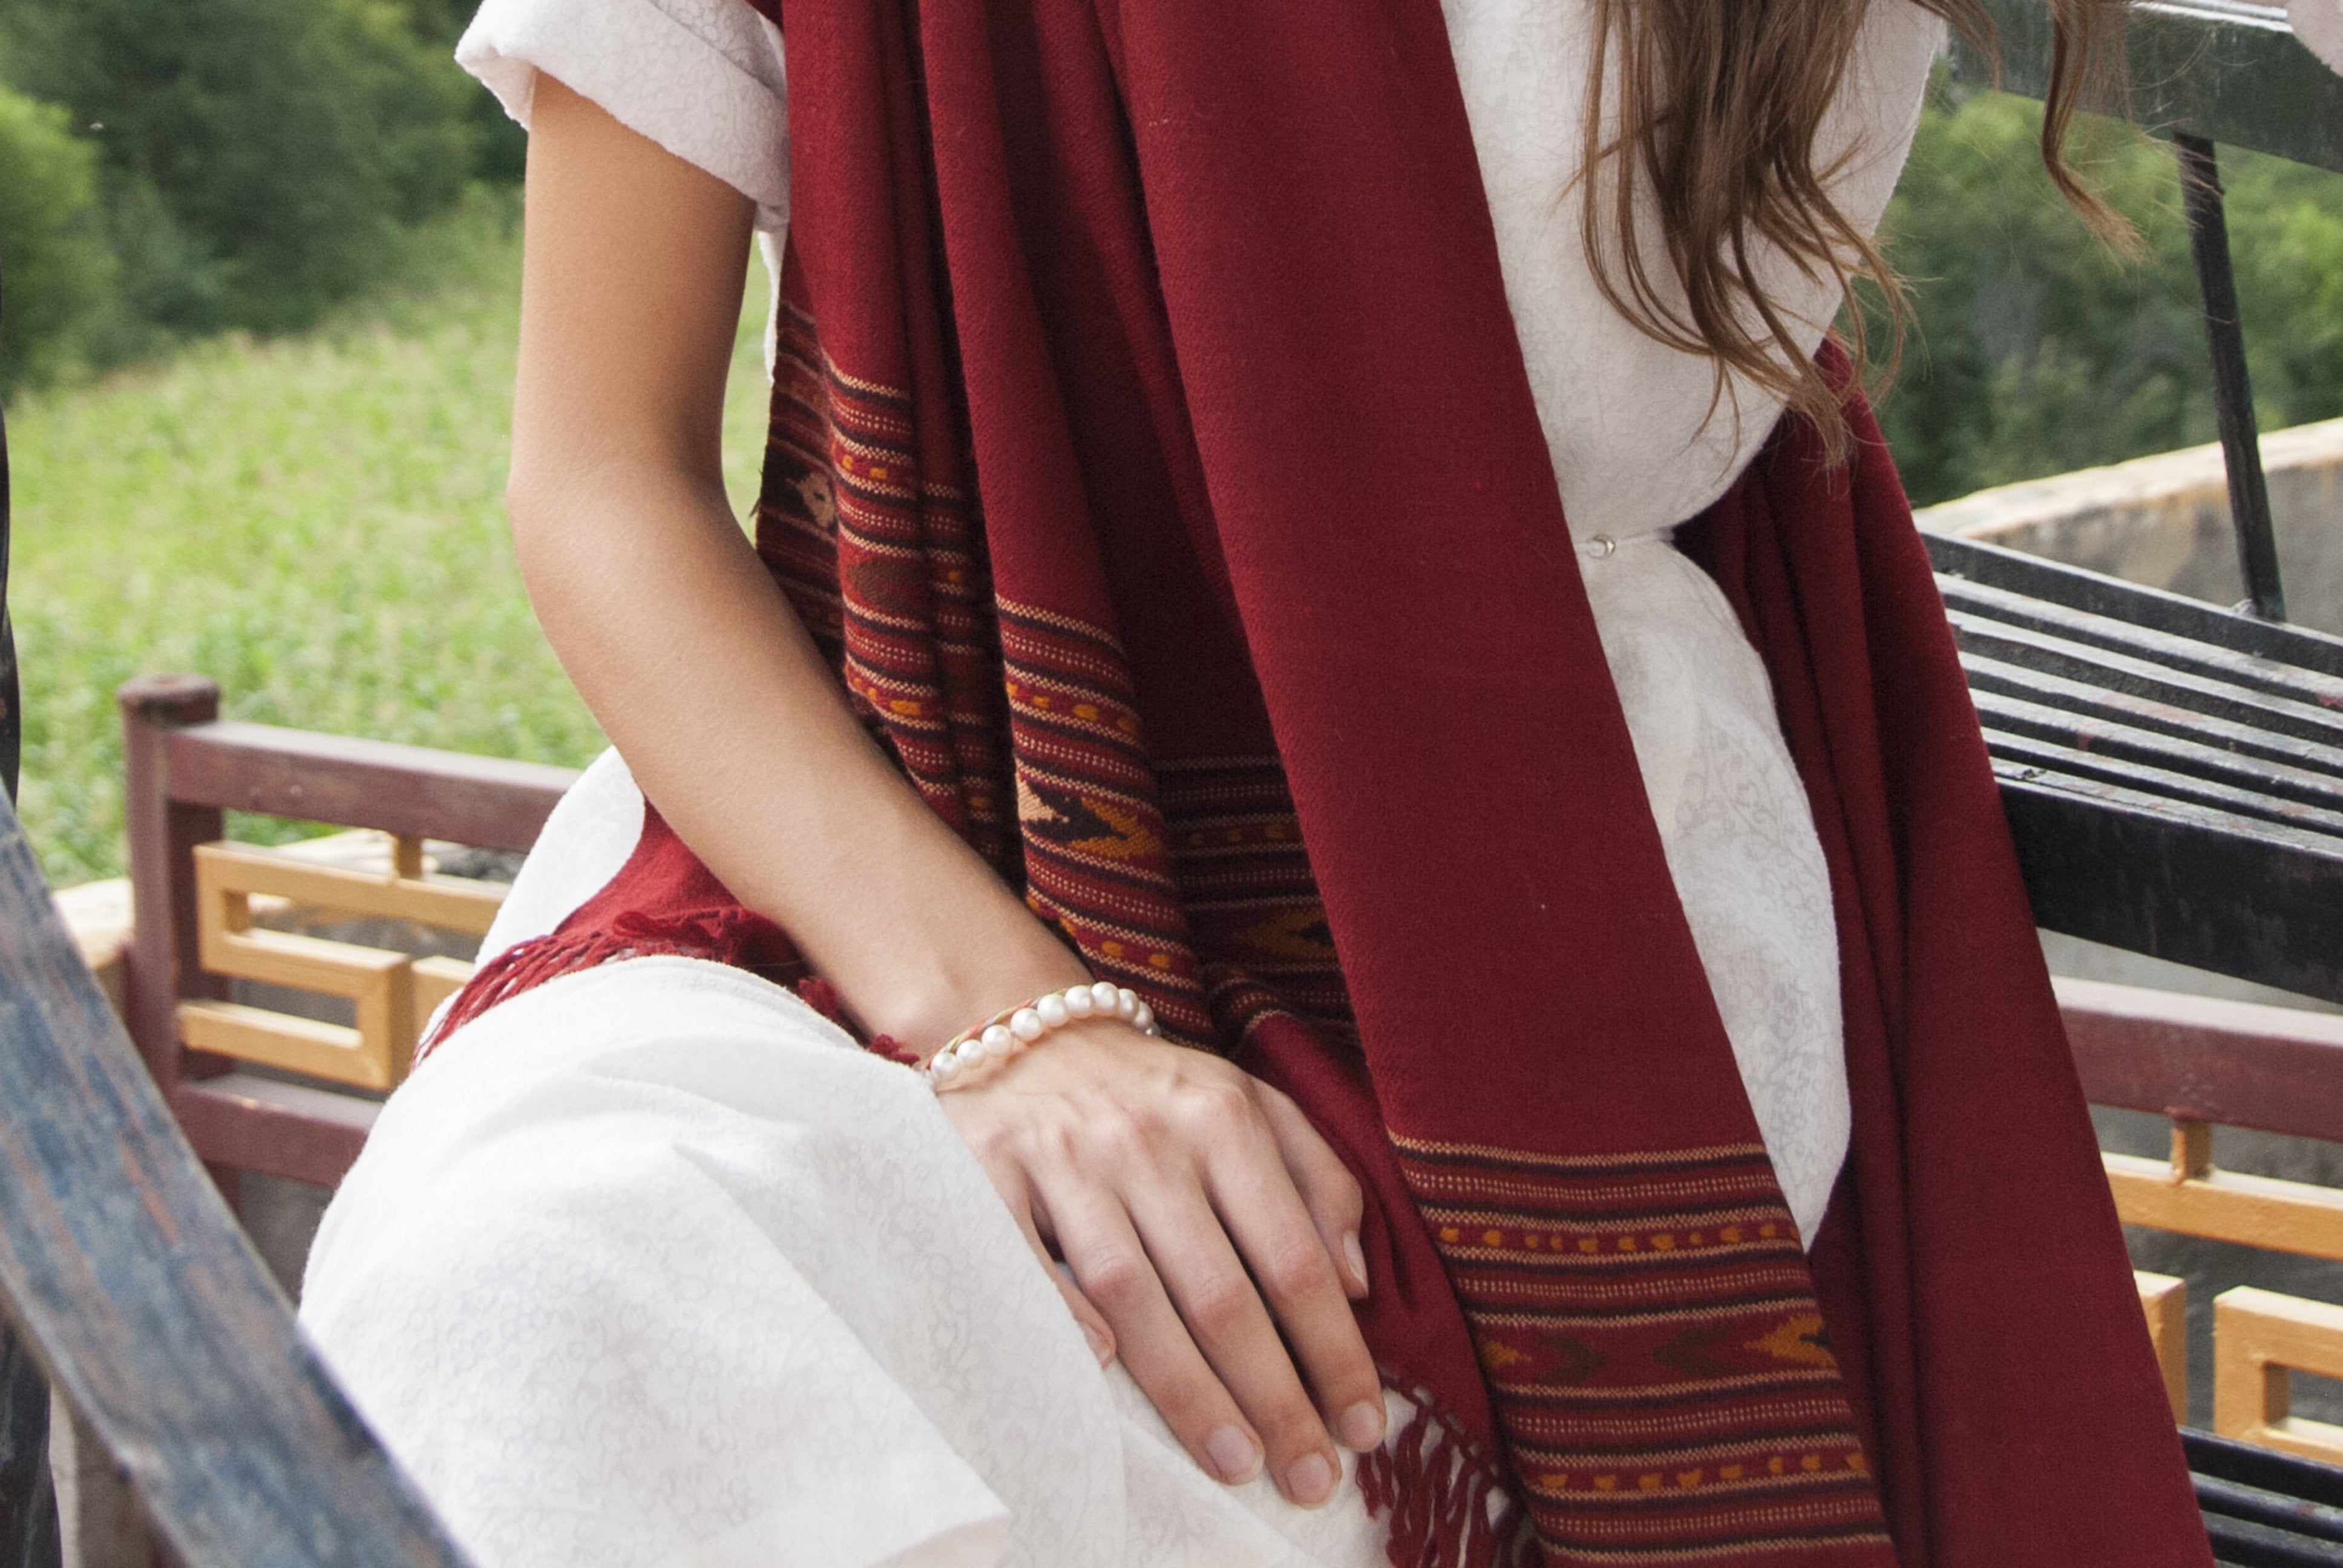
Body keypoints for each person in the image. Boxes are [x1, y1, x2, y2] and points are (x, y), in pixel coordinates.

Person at [298, 2, 2214, 1566]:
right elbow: (600, 478)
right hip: (898, 828)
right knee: (539, 1275)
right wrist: (1018, 1025)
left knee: (1189, 1415)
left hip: (1523, 890)